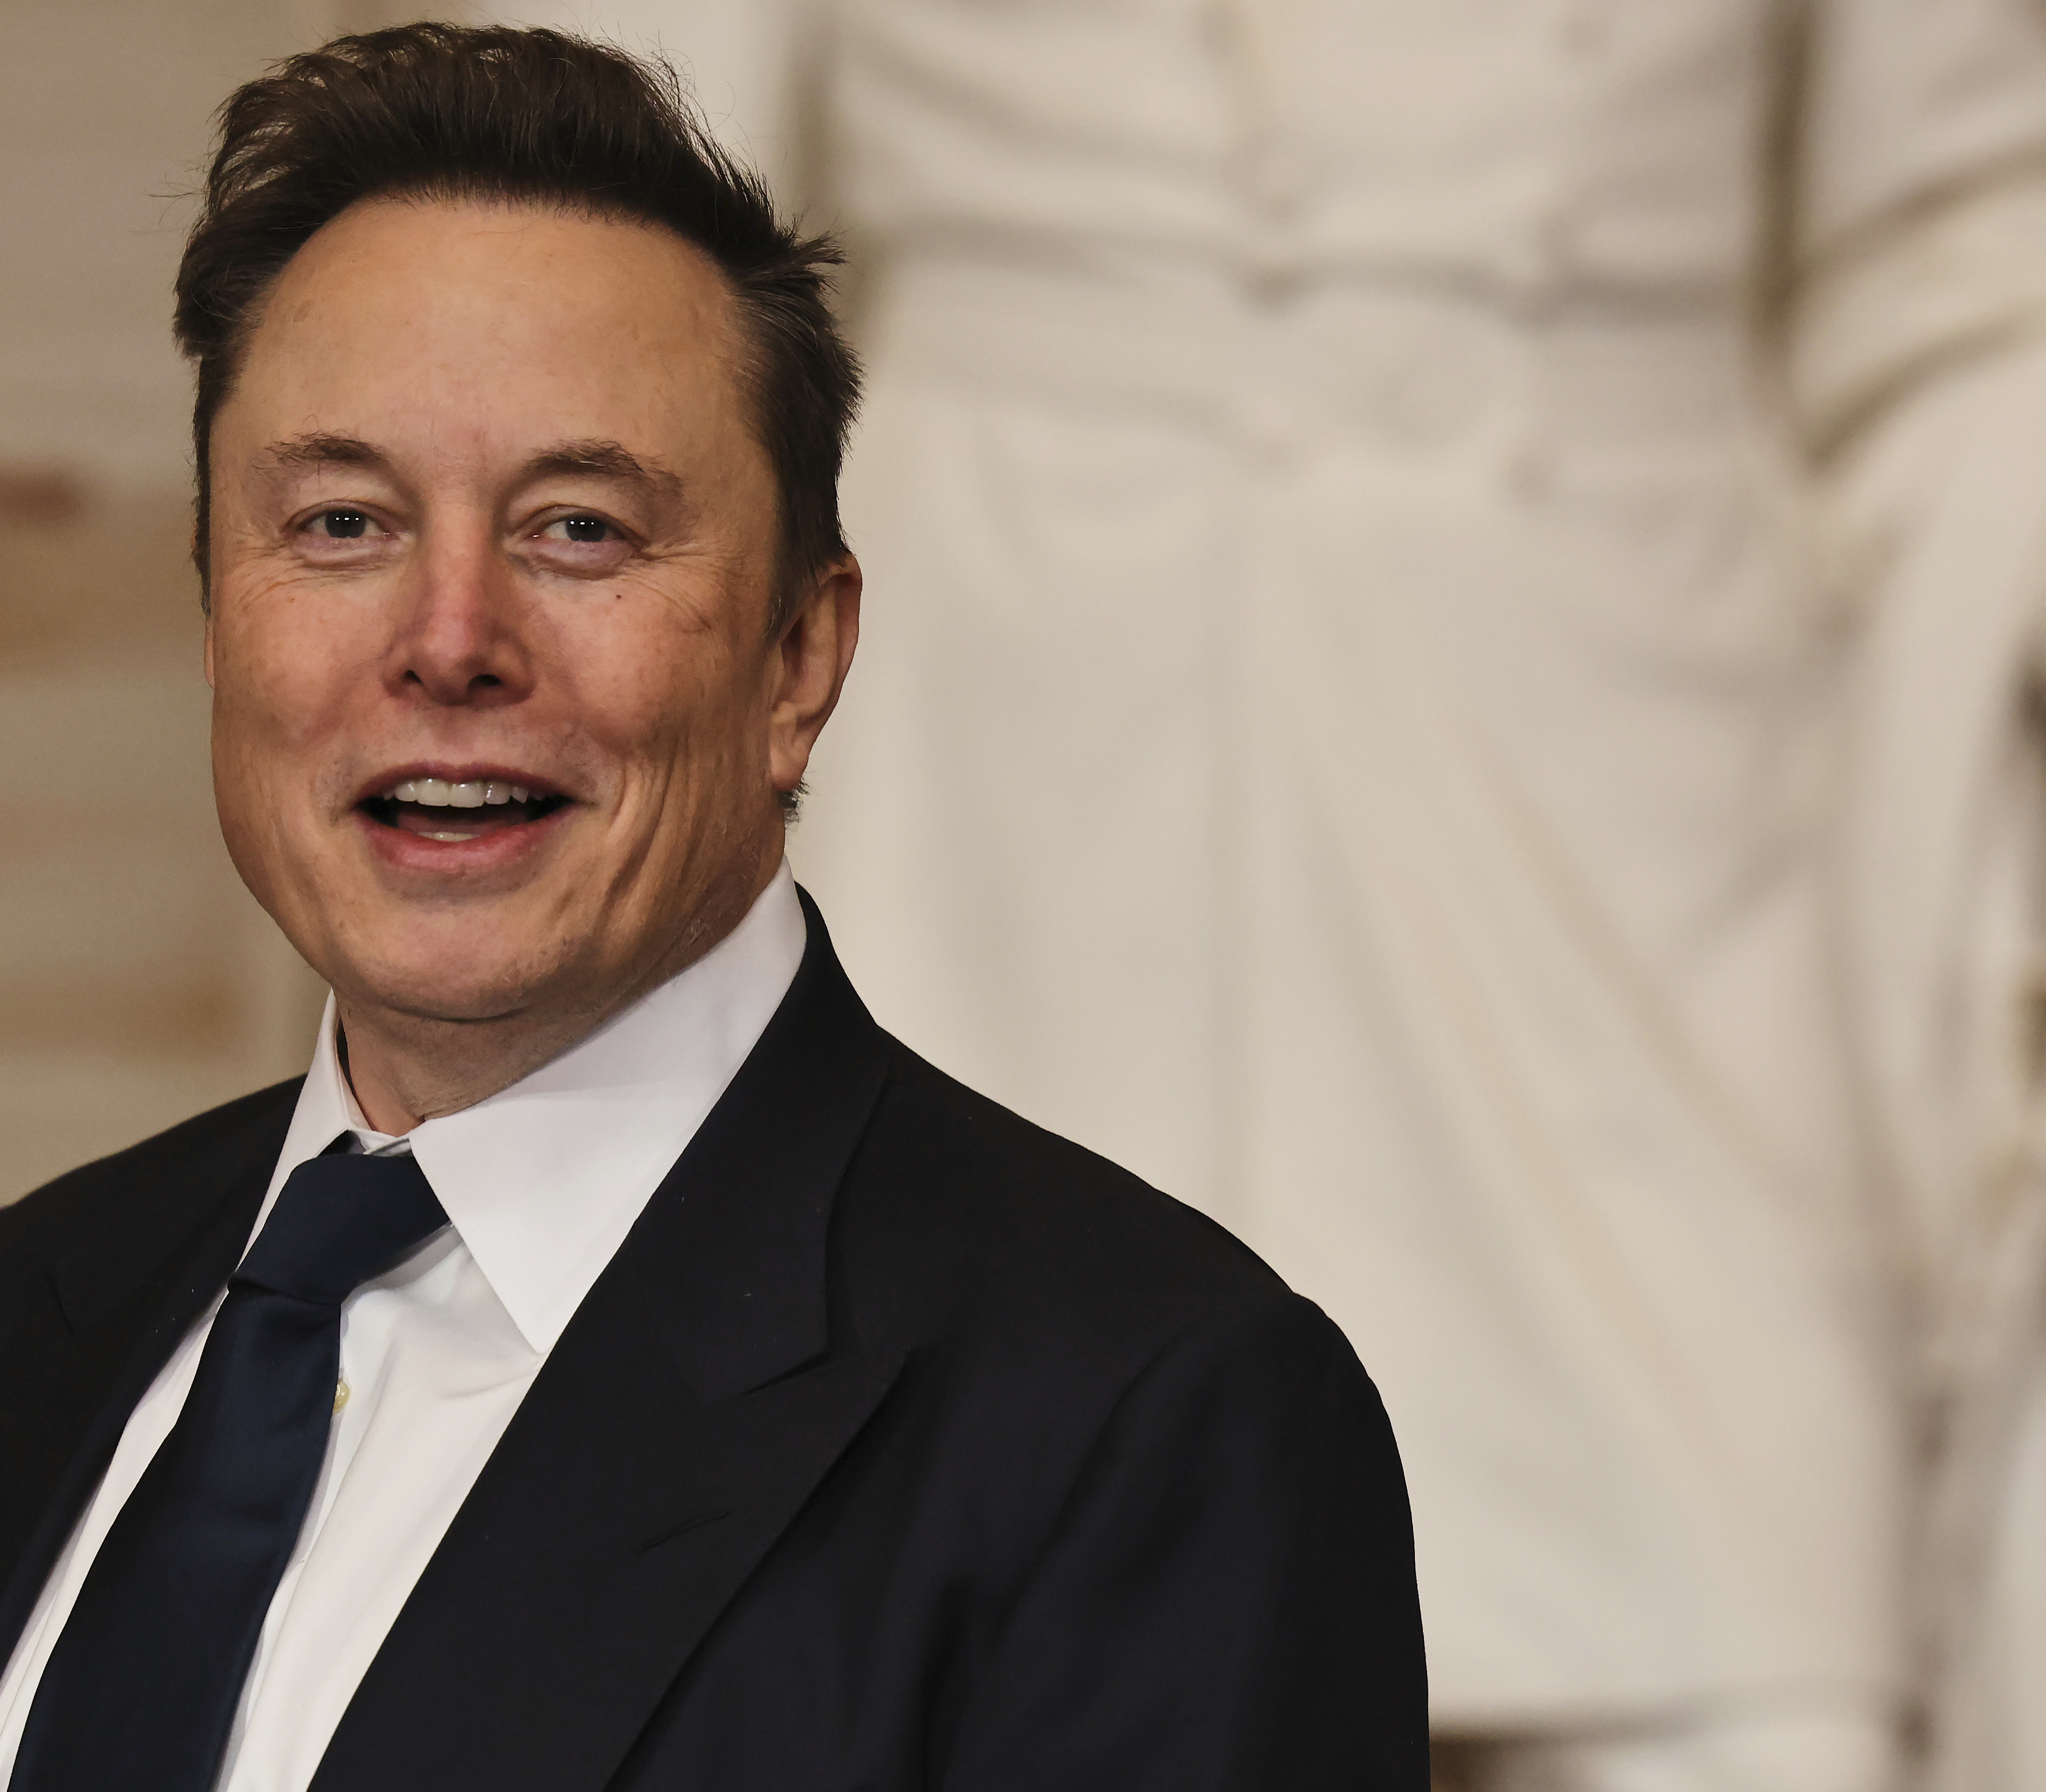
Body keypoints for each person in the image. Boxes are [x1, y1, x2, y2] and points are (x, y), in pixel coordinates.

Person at [0, 26, 1426, 1792]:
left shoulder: (1149, 1419)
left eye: (578, 530)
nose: (450, 638)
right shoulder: (31, 1302)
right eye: (340, 524)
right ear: (213, 627)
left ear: (802, 656)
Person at [498, 2, 2046, 1784]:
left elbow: (1961, 243)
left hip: (1633, 817)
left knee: (1738, 1673)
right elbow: (610, 201)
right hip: (979, 778)